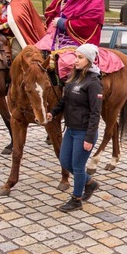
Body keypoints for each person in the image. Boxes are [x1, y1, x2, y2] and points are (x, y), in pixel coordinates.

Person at [46, 44, 103, 212]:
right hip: (70, 129)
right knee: (65, 161)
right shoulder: (74, 77)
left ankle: (76, 199)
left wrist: (89, 138)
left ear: (89, 60)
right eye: (75, 56)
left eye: (80, 57)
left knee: (77, 166)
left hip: (84, 132)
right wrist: (53, 112)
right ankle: (90, 182)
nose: (75, 60)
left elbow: (95, 113)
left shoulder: (94, 83)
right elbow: (65, 100)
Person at [39, 0, 105, 79]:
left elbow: (86, 26)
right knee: (35, 50)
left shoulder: (96, 4)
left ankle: (71, 90)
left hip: (77, 42)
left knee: (67, 64)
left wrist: (62, 23)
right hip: (59, 37)